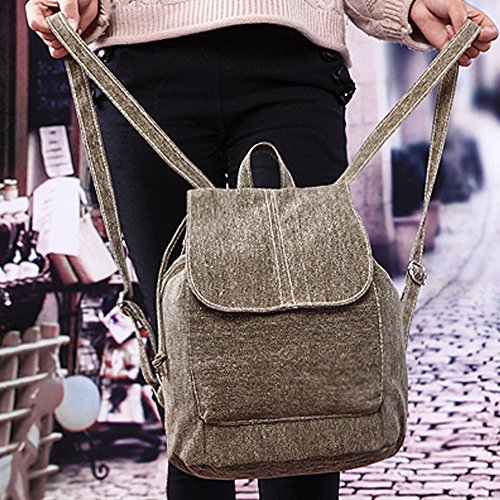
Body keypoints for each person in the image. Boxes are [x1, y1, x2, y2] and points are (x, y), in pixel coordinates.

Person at [26, 1, 497, 499]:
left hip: (290, 57)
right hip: (142, 68)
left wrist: (409, 6)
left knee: (309, 362)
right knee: (188, 378)